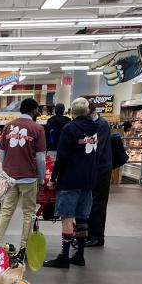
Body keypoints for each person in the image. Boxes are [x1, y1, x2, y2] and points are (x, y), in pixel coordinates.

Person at [43, 97, 99, 268]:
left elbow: (62, 157)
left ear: (72, 111)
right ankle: (80, 255)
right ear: (88, 111)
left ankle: (64, 257)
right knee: (82, 218)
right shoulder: (95, 128)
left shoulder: (70, 128)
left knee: (67, 217)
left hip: (70, 179)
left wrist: (53, 178)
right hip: (88, 180)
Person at [0, 97, 46, 250]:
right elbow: (40, 158)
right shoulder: (38, 129)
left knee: (6, 211)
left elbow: (1, 153)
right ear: (35, 111)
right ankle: (24, 247)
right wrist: (41, 179)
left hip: (9, 177)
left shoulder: (8, 126)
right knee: (28, 212)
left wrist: (2, 174)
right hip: (28, 177)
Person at [85, 108, 115, 247]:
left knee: (99, 203)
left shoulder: (102, 125)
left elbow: (97, 149)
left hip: (102, 170)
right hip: (96, 168)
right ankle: (91, 234)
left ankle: (97, 237)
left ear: (90, 112)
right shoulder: (96, 124)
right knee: (93, 202)